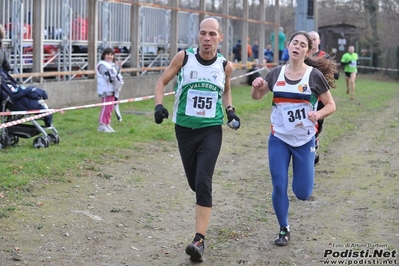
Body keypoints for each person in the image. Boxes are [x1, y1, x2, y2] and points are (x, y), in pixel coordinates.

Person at [153, 17, 240, 262]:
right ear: (198, 36)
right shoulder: (184, 58)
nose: (207, 38)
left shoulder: (225, 65)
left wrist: (230, 109)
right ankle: (204, 201)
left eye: (212, 34)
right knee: (195, 182)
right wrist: (159, 106)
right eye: (203, 33)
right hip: (184, 130)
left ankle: (199, 240)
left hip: (211, 129)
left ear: (220, 38)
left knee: (203, 181)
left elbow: (226, 89)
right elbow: (161, 82)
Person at [251, 31, 337, 247]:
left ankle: (311, 155)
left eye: (302, 44)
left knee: (302, 193)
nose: (297, 46)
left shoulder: (313, 76)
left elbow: (331, 105)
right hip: (279, 137)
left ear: (308, 51)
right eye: (294, 43)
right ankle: (283, 228)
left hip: (304, 139)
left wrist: (317, 114)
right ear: (288, 46)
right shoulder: (276, 73)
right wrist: (256, 86)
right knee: (279, 185)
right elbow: (258, 96)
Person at [309, 31, 340, 165]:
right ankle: (309, 147)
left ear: (319, 41)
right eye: (310, 39)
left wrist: (329, 73)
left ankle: (314, 141)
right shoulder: (303, 55)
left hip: (321, 96)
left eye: (315, 39)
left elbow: (336, 74)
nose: (313, 41)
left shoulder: (325, 56)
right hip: (304, 95)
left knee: (318, 122)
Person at [96, 47, 124, 133]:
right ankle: (101, 125)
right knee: (106, 107)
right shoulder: (102, 65)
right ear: (104, 55)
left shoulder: (112, 65)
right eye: (108, 54)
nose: (110, 56)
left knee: (110, 108)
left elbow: (116, 75)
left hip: (113, 90)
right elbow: (108, 77)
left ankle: (107, 124)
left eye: (111, 54)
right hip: (105, 90)